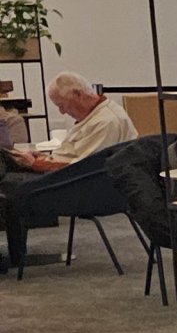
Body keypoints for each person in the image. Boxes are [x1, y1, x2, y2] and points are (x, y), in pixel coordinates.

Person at [2, 73, 140, 271]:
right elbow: (76, 157)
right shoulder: (94, 115)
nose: (62, 112)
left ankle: (17, 257)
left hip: (89, 190)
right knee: (9, 172)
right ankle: (15, 254)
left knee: (11, 190)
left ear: (78, 94)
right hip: (78, 180)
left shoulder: (106, 121)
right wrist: (42, 158)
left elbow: (82, 168)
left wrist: (36, 164)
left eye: (62, 105)